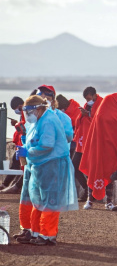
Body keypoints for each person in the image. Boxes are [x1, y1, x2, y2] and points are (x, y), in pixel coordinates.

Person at [16, 95, 78, 245]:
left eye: (29, 111)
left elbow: (47, 145)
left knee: (50, 201)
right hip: (43, 165)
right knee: (39, 200)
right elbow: (35, 140)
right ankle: (36, 232)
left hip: (53, 164)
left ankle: (48, 235)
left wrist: (28, 152)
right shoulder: (41, 120)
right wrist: (25, 145)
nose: (28, 115)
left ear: (38, 109)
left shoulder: (49, 120)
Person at [80, 88, 117, 210]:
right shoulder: (109, 100)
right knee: (95, 169)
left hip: (113, 145)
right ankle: (90, 200)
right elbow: (101, 118)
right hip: (100, 142)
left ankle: (109, 201)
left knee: (111, 171)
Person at [72, 87, 103, 204]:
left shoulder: (102, 104)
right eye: (86, 99)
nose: (87, 101)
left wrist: (88, 114)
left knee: (90, 168)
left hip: (92, 141)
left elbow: (100, 120)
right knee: (75, 166)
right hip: (81, 141)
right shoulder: (87, 105)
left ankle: (90, 193)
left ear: (94, 95)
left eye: (89, 98)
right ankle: (86, 188)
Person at [0, 96, 25, 194]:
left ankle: (16, 186)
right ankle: (6, 184)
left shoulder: (26, 113)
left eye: (17, 108)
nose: (17, 111)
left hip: (24, 145)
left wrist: (16, 124)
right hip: (21, 144)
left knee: (23, 165)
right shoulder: (23, 113)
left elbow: (24, 129)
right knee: (15, 162)